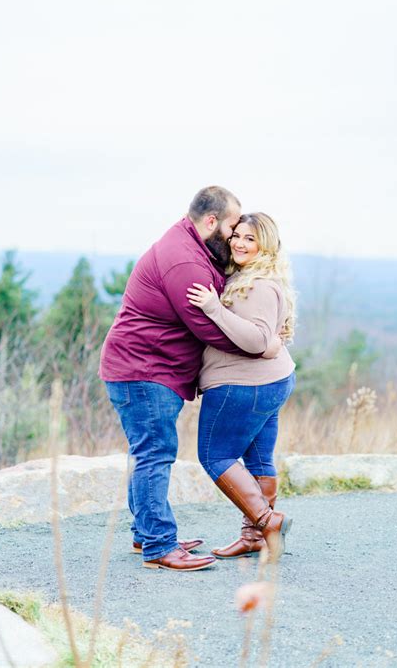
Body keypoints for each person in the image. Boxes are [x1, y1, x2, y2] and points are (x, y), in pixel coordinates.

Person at [99, 187, 281, 571]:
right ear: (211, 221)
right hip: (144, 369)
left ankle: (146, 532)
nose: (234, 236)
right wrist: (260, 347)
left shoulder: (190, 247)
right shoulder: (185, 263)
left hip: (147, 368)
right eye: (233, 227)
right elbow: (207, 328)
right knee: (155, 452)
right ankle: (159, 547)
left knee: (148, 451)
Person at [186, 212, 296, 560]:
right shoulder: (249, 277)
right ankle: (255, 538)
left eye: (250, 238)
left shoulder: (260, 284)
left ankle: (266, 520)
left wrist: (214, 308)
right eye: (237, 236)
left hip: (244, 385)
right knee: (259, 458)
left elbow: (258, 340)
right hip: (269, 382)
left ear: (265, 244)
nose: (238, 243)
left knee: (214, 455)